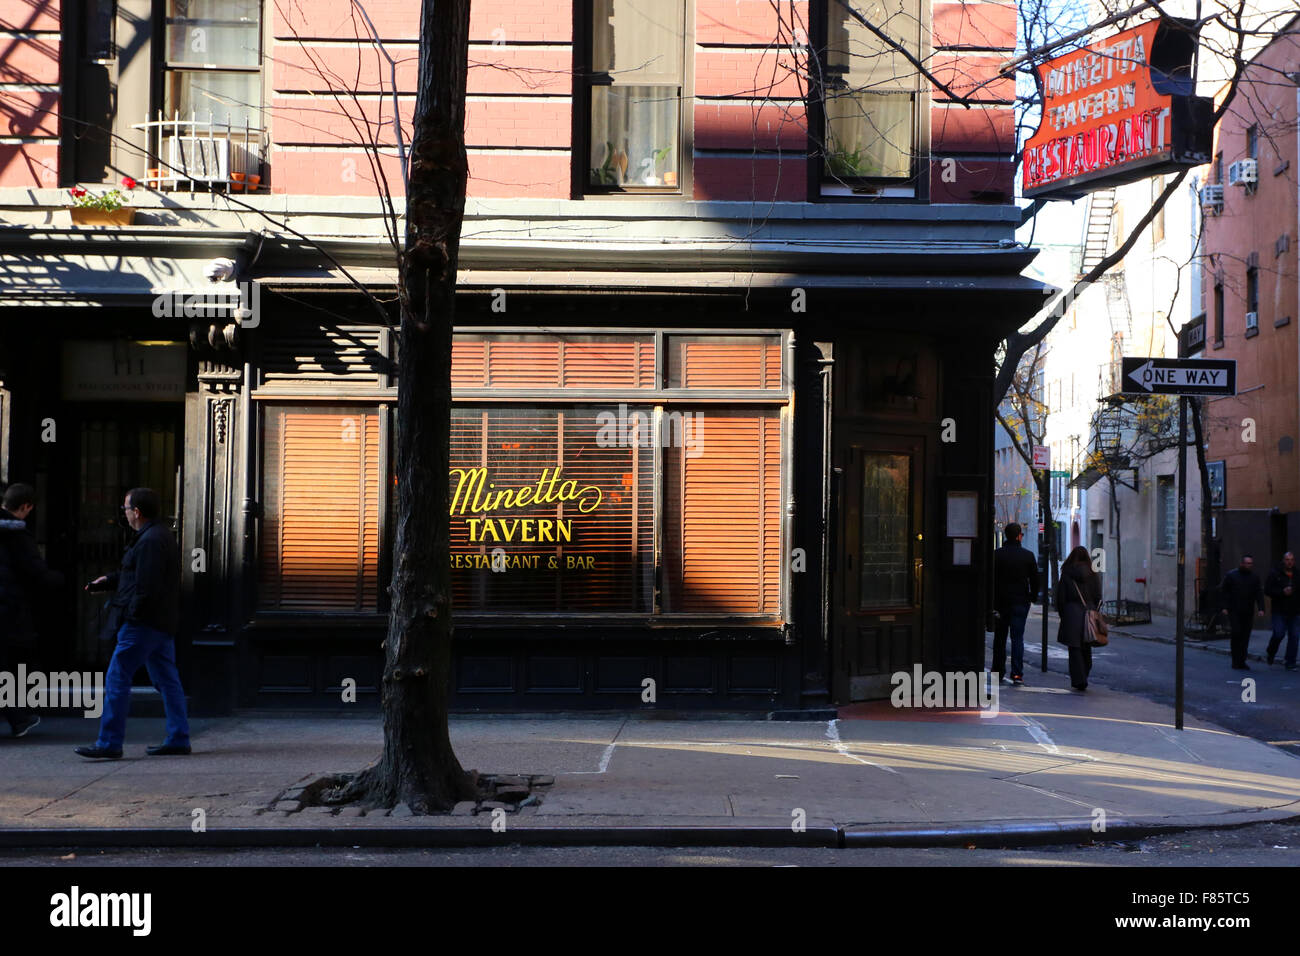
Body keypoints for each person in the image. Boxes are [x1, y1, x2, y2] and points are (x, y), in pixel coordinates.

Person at [76, 488, 190, 759]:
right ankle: (178, 737)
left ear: (136, 512)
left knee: (118, 677)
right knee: (167, 680)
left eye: (126, 509)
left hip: (143, 624)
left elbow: (145, 586)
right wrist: (110, 581)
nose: (124, 514)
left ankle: (109, 743)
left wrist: (132, 616)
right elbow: (137, 576)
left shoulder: (150, 540)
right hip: (160, 623)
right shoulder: (157, 536)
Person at [0, 483, 63, 738]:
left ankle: (19, 716)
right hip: (7, 608)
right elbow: (36, 572)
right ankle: (19, 716)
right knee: (9, 662)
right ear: (26, 506)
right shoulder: (16, 535)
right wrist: (60, 580)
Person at [992, 522, 1039, 686]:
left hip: (1000, 601)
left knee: (1000, 638)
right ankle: (1017, 673)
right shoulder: (1027, 555)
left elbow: (990, 579)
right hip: (1020, 600)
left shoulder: (997, 555)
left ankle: (997, 671)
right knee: (1017, 638)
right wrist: (1032, 597)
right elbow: (1035, 579)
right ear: (1019, 536)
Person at [1056, 545, 1102, 691]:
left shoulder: (1067, 572)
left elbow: (1061, 597)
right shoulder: (1093, 573)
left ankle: (1079, 679)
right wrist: (1093, 610)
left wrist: (1063, 613)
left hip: (1071, 613)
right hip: (1089, 611)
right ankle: (1084, 674)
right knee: (1086, 646)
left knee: (1074, 648)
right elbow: (1098, 596)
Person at [1219, 554, 1266, 670]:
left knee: (1245, 636)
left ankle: (1242, 660)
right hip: (1234, 610)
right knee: (1236, 634)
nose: (1250, 565)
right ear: (1242, 564)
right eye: (1248, 563)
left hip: (1247, 611)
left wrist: (1261, 608)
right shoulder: (1231, 576)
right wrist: (1224, 607)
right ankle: (1236, 660)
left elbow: (1258, 594)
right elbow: (1224, 592)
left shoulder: (1254, 577)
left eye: (1251, 563)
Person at [1265, 552, 1300, 670]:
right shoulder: (1275, 573)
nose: (1289, 562)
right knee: (1279, 634)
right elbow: (1267, 590)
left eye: (1291, 560)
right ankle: (1271, 652)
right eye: (1287, 559)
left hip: (1294, 611)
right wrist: (1282, 592)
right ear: (1283, 561)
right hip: (1279, 610)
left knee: (1294, 636)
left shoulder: (1297, 574)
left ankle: (1290, 662)